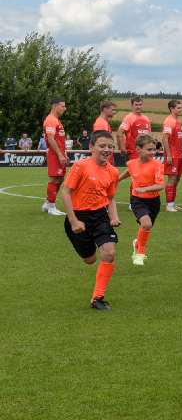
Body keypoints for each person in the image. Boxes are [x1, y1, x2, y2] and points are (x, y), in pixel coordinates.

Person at [61, 130, 121, 310]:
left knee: (109, 253)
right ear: (91, 147)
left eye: (110, 146)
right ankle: (86, 246)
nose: (107, 149)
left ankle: (97, 298)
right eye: (102, 146)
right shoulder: (81, 166)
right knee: (90, 260)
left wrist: (114, 216)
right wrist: (73, 221)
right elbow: (65, 192)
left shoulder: (113, 171)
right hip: (78, 218)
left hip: (100, 217)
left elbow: (110, 197)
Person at [118, 134, 165, 266]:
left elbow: (161, 185)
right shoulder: (132, 163)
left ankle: (137, 243)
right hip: (137, 200)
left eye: (154, 149)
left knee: (145, 228)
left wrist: (145, 189)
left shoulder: (157, 165)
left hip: (154, 201)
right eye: (149, 149)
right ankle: (140, 253)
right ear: (138, 149)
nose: (153, 152)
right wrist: (117, 180)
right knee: (146, 224)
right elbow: (129, 171)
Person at [42, 98, 68, 216]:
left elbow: (59, 139)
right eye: (62, 106)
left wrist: (64, 153)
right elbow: (51, 139)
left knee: (60, 178)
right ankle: (51, 207)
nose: (64, 108)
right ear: (55, 106)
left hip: (59, 154)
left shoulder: (56, 120)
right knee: (54, 179)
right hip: (54, 154)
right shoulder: (51, 120)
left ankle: (48, 203)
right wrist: (59, 154)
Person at [161, 99, 182, 211]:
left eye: (181, 107)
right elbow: (164, 139)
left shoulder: (178, 121)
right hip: (173, 155)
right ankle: (169, 205)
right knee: (172, 178)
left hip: (179, 155)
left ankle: (173, 203)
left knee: (177, 178)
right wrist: (169, 155)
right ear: (172, 108)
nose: (181, 109)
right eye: (178, 108)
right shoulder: (169, 121)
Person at [117, 96, 152, 161]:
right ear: (132, 105)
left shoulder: (146, 118)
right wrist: (122, 148)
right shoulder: (128, 118)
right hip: (134, 153)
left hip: (146, 153)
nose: (138, 107)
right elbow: (119, 133)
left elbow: (149, 137)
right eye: (136, 105)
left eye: (140, 105)